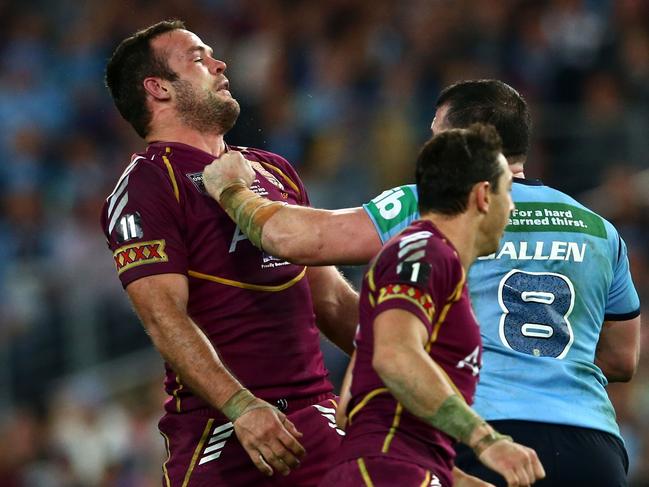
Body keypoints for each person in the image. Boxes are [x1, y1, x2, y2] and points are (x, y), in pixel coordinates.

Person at [203, 79, 641, 486]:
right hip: (593, 447)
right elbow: (622, 359)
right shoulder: (599, 229)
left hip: (472, 436)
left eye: (438, 137)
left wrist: (233, 190)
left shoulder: (432, 208)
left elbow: (293, 238)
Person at [100, 20, 359, 487]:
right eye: (198, 58)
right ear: (158, 88)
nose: (220, 64)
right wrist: (241, 406)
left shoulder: (273, 170)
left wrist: (416, 362)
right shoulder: (147, 185)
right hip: (221, 431)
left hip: (319, 420)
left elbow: (333, 302)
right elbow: (164, 318)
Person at [320, 124, 543, 486]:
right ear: (484, 196)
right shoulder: (424, 251)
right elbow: (395, 356)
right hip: (387, 471)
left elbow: (350, 411)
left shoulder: (431, 262)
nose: (513, 206)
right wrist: (486, 441)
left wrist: (456, 478)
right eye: (508, 192)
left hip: (395, 469)